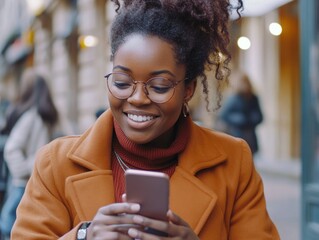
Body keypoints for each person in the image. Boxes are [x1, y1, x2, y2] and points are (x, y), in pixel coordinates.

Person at [12, 0, 279, 239]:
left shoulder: (233, 162)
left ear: (188, 89)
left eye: (160, 86)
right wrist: (84, 235)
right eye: (122, 82)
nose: (138, 98)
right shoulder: (54, 164)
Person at [0, 68, 58, 239]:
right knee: (10, 228)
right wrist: (28, 169)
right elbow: (12, 148)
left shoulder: (43, 116)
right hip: (22, 185)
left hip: (28, 184)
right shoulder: (32, 117)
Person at [219, 71, 263, 154]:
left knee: (249, 159)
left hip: (250, 136)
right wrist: (238, 119)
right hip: (236, 134)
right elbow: (223, 115)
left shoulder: (253, 98)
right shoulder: (233, 98)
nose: (244, 85)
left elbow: (260, 117)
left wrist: (252, 119)